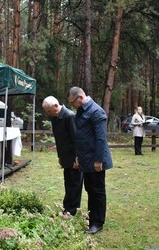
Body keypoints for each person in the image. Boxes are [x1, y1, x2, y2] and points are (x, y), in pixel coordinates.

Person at [67, 86, 113, 234]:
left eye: (72, 102)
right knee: (89, 189)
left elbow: (100, 138)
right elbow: (81, 137)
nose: (72, 106)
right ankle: (91, 218)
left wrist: (99, 160)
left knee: (97, 191)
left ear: (80, 98)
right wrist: (77, 157)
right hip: (85, 159)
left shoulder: (96, 111)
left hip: (96, 160)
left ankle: (97, 223)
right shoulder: (81, 111)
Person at [42, 96, 83, 216]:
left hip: (74, 157)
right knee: (68, 183)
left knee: (75, 184)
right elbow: (59, 140)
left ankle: (73, 210)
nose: (48, 113)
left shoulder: (69, 116)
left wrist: (77, 158)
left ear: (55, 105)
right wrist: (60, 156)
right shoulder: (54, 118)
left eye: (49, 110)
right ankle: (66, 208)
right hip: (65, 157)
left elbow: (76, 138)